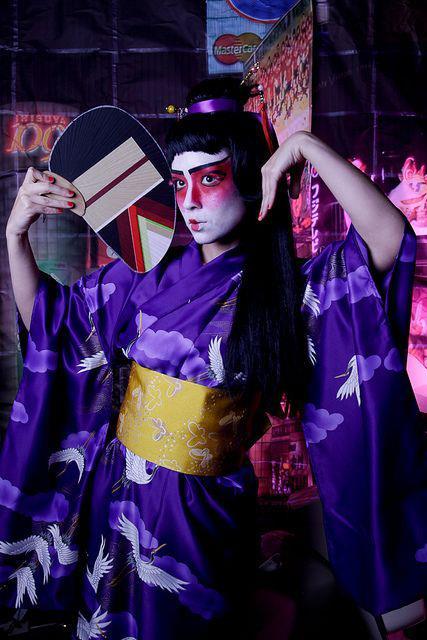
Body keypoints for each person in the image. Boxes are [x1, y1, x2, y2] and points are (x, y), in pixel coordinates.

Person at [1, 76, 425, 639]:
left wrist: (305, 148)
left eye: (210, 178)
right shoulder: (142, 277)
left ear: (250, 177)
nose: (190, 202)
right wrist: (16, 235)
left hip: (204, 514)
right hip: (117, 497)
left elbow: (390, 240)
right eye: (179, 183)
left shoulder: (287, 291)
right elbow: (50, 326)